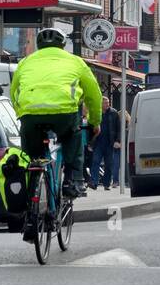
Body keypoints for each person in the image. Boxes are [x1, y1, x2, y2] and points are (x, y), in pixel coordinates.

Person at [10, 27, 102, 199]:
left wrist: (20, 112)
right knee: (73, 136)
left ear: (38, 45)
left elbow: (13, 91)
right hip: (64, 114)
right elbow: (94, 95)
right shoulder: (75, 61)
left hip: (30, 114)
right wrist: (94, 122)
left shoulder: (25, 62)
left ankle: (32, 185)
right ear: (63, 45)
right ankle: (70, 180)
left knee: (32, 154)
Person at [87, 95, 124, 190]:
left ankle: (106, 183)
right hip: (98, 142)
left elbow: (119, 129)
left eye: (108, 103)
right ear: (100, 104)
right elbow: (90, 128)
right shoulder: (96, 113)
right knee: (95, 162)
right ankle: (94, 182)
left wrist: (118, 141)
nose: (107, 104)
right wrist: (89, 143)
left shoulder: (114, 113)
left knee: (109, 164)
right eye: (105, 103)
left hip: (110, 143)